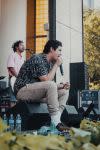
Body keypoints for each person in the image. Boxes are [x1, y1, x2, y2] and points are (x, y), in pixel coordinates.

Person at [14, 40, 70, 131]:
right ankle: (56, 123)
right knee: (51, 85)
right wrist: (57, 64)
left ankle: (56, 119)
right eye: (59, 50)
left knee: (64, 92)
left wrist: (62, 86)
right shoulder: (37, 58)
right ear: (52, 49)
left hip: (36, 92)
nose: (60, 54)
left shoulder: (49, 64)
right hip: (22, 91)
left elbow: (48, 85)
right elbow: (47, 81)